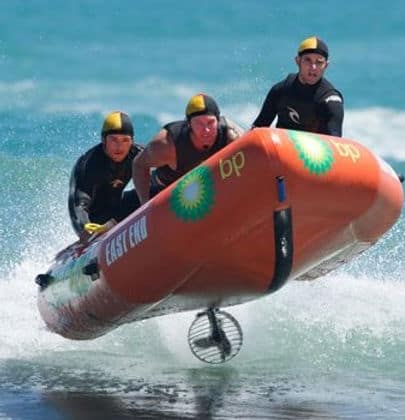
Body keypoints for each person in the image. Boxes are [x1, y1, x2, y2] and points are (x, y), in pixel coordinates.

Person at [132, 93, 244, 205]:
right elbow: (139, 164)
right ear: (189, 123)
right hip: (162, 192)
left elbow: (250, 156)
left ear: (218, 120)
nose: (206, 130)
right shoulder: (166, 143)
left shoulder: (231, 135)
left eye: (211, 122)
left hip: (208, 188)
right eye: (199, 123)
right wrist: (145, 204)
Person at [69, 111, 143, 239]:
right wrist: (85, 229)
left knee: (144, 193)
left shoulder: (138, 154)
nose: (119, 146)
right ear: (104, 140)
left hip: (120, 211)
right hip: (97, 222)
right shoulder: (89, 164)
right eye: (114, 139)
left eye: (125, 140)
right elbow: (78, 205)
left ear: (132, 141)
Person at [252, 36, 344, 137]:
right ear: (297, 61)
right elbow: (257, 129)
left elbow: (335, 140)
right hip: (281, 149)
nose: (313, 67)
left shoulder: (331, 101)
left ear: (326, 65)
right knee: (231, 129)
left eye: (319, 62)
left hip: (315, 151)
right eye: (308, 60)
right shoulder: (281, 90)